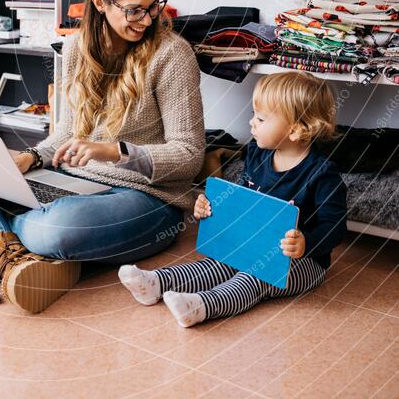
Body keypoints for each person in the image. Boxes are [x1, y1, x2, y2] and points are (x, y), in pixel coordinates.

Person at [0, 0, 205, 313]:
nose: (148, 20)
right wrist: (33, 156)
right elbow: (65, 134)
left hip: (146, 197)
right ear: (100, 3)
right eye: (134, 9)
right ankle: (12, 250)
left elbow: (189, 156)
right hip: (70, 181)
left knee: (54, 230)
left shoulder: (173, 55)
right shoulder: (74, 48)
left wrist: (116, 151)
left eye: (154, 5)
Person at [119, 71, 347, 327]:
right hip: (254, 244)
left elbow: (335, 226)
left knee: (255, 275)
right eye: (253, 115)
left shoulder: (321, 174)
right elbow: (242, 199)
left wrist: (307, 243)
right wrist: (211, 206)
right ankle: (157, 282)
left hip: (304, 262)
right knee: (220, 262)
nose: (251, 123)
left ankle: (204, 305)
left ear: (294, 131)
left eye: (260, 118)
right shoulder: (257, 155)